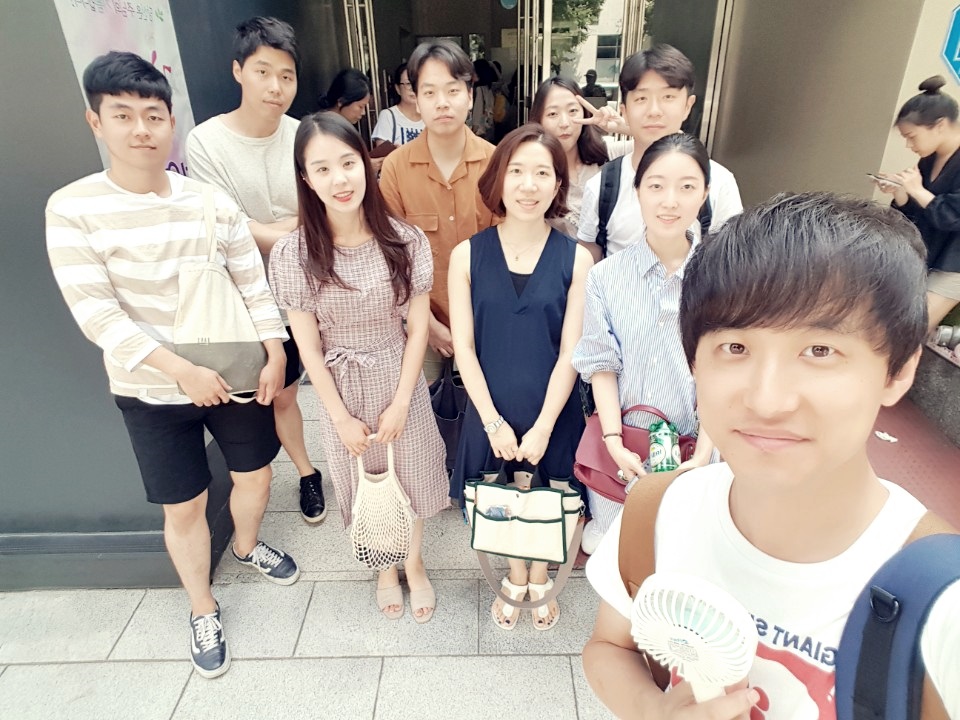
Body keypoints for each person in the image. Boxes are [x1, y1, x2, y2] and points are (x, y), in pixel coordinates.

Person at [582, 192, 960, 718]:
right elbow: (610, 647)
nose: (766, 400)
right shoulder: (658, 511)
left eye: (820, 351)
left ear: (898, 371)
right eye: (735, 348)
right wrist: (654, 709)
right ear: (694, 363)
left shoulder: (944, 601)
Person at [47, 52, 299, 680]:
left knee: (255, 477)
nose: (141, 129)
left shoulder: (209, 202)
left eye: (153, 115)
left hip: (235, 375)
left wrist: (275, 351)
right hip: (150, 391)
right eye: (123, 115)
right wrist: (180, 371)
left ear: (171, 122)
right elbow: (97, 315)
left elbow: (252, 284)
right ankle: (202, 606)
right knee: (184, 506)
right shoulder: (73, 209)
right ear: (95, 122)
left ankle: (246, 546)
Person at [269, 112, 448, 623]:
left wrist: (402, 401)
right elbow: (309, 347)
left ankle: (413, 562)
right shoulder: (294, 253)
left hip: (398, 372)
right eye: (322, 169)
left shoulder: (404, 240)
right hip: (339, 384)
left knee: (412, 472)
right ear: (306, 178)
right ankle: (385, 567)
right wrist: (339, 416)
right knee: (364, 476)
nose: (339, 179)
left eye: (348, 163)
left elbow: (417, 329)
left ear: (366, 165)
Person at [448, 125, 593, 630]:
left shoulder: (577, 258)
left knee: (552, 495)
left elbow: (572, 351)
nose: (529, 185)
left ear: (558, 185)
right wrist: (492, 422)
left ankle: (539, 572)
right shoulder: (466, 255)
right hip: (490, 407)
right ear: (499, 179)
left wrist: (544, 426)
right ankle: (515, 574)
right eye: (517, 171)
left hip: (552, 406)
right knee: (501, 495)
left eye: (542, 174)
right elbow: (464, 348)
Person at [186, 16, 326, 524]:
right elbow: (228, 230)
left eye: (286, 76)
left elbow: (324, 212)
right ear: (238, 71)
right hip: (241, 300)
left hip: (301, 294)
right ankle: (260, 484)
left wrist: (262, 226)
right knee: (252, 401)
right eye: (263, 71)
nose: (275, 86)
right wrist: (290, 225)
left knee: (288, 394)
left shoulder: (304, 135)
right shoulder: (206, 142)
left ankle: (307, 472)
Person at [572, 133, 716, 554]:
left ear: (705, 193)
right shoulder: (605, 277)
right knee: (615, 551)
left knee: (680, 552)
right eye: (656, 185)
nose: (670, 201)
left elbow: (724, 371)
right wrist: (613, 441)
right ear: (637, 190)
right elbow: (601, 365)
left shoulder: (723, 278)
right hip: (624, 450)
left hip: (695, 448)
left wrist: (704, 454)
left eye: (686, 186)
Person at [380, 40, 496, 383]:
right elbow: (389, 256)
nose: (442, 102)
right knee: (425, 406)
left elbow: (509, 251)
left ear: (470, 96)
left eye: (452, 90)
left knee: (484, 408)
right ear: (416, 99)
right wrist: (427, 325)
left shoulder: (495, 163)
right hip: (421, 322)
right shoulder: (396, 167)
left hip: (486, 323)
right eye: (429, 92)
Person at [577, 44, 743, 259]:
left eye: (668, 97)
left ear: (688, 106)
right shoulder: (602, 186)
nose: (654, 111)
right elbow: (589, 255)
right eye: (641, 98)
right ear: (624, 111)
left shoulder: (719, 182)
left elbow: (731, 261)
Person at [875, 75, 960, 333]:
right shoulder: (928, 160)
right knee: (887, 321)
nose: (909, 145)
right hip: (928, 254)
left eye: (912, 137)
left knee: (910, 331)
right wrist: (901, 193)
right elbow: (917, 215)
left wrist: (918, 190)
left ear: (940, 125)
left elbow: (953, 217)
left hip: (955, 263)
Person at [530, 76, 610, 238]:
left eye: (573, 111)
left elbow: (662, 145)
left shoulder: (607, 155)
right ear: (539, 120)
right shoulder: (531, 171)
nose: (565, 123)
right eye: (553, 114)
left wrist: (620, 127)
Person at [371, 62, 424, 148]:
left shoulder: (431, 118)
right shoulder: (388, 116)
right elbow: (383, 154)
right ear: (398, 88)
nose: (413, 89)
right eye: (408, 84)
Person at [470, 59, 498, 142]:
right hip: (488, 128)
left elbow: (477, 111)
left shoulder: (478, 89)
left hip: (479, 131)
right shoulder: (488, 88)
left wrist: (473, 130)